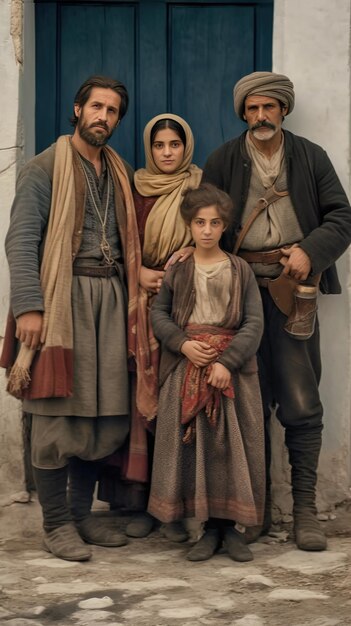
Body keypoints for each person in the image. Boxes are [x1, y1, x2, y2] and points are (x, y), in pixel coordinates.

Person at [202, 71, 351, 551]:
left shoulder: (310, 157)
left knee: (301, 402)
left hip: (294, 291)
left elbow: (342, 216)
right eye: (251, 109)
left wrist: (311, 250)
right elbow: (203, 217)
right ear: (243, 113)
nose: (260, 116)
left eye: (268, 107)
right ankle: (256, 511)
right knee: (246, 404)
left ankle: (305, 512)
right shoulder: (224, 158)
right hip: (239, 296)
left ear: (283, 110)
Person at [0, 75, 141, 561]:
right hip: (62, 302)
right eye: (97, 107)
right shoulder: (43, 168)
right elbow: (20, 243)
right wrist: (29, 308)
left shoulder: (120, 171)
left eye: (114, 111)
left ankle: (83, 516)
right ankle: (56, 523)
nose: (104, 117)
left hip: (112, 299)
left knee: (100, 415)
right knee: (57, 415)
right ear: (77, 109)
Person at [98, 113, 202, 542]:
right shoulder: (132, 189)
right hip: (138, 305)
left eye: (174, 145)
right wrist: (137, 271)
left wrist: (188, 255)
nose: (166, 153)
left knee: (178, 398)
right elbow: (115, 240)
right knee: (139, 402)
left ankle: (173, 506)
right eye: (158, 145)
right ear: (149, 148)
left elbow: (213, 237)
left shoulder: (199, 189)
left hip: (185, 307)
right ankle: (137, 501)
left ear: (186, 147)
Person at [148, 183, 265, 562]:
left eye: (215, 223)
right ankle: (204, 529)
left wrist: (226, 363)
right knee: (196, 450)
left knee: (229, 449)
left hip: (229, 375)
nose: (207, 230)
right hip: (188, 370)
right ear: (189, 225)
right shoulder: (179, 270)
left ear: (224, 225)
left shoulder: (240, 270)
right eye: (200, 222)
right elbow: (159, 315)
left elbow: (253, 323)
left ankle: (230, 530)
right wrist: (183, 345)